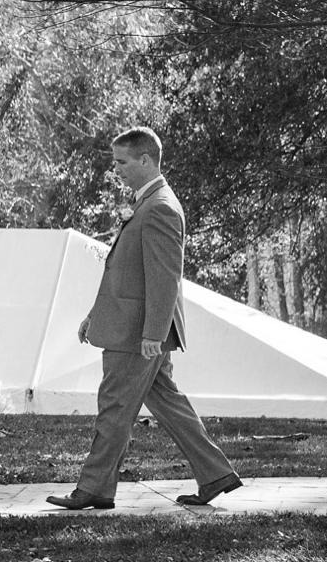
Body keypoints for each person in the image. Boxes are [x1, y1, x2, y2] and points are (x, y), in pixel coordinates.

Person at [48, 127, 244, 511]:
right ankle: (216, 474)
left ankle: (93, 489)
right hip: (133, 327)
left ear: (145, 160)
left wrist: (153, 333)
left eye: (122, 162)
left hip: (138, 335)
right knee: (169, 405)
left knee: (114, 407)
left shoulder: (161, 208)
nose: (116, 170)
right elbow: (128, 273)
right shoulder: (149, 202)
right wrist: (94, 315)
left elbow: (164, 277)